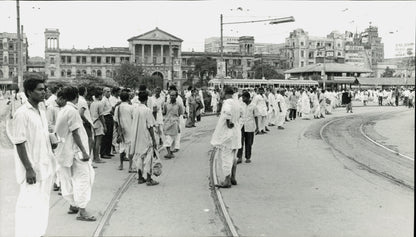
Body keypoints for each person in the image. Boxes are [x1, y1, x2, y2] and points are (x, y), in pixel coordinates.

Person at [11, 78, 56, 237]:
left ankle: (38, 233)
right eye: (40, 89)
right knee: (27, 206)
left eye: (44, 88)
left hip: (45, 167)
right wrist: (29, 169)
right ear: (29, 92)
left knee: (42, 204)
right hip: (32, 170)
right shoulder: (22, 114)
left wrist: (52, 142)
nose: (44, 91)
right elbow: (20, 143)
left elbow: (41, 138)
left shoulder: (41, 112)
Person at [55, 86, 96, 221]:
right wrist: (84, 151)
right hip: (75, 151)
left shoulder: (63, 110)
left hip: (65, 151)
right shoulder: (72, 111)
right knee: (84, 178)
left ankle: (74, 205)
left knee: (68, 179)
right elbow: (76, 133)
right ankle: (82, 210)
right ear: (77, 97)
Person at [211, 87, 241, 188]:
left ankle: (227, 180)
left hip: (228, 133)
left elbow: (227, 113)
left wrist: (228, 122)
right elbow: (241, 113)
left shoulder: (227, 102)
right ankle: (233, 177)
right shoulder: (237, 102)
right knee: (233, 156)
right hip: (236, 132)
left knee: (225, 156)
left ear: (225, 93)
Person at [130, 91, 159, 186]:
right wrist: (154, 139)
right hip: (146, 136)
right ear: (146, 99)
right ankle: (149, 179)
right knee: (148, 157)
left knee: (139, 156)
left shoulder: (135, 110)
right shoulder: (147, 111)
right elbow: (150, 126)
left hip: (137, 137)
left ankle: (140, 177)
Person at [114, 91, 134, 171]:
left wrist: (117, 130)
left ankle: (121, 165)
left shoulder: (117, 108)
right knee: (130, 148)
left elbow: (115, 119)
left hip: (121, 130)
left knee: (122, 147)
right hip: (130, 129)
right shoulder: (131, 107)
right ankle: (130, 167)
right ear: (128, 98)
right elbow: (134, 118)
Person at [237, 91, 258, 164]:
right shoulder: (241, 105)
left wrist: (257, 127)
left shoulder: (253, 106)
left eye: (244, 98)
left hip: (250, 126)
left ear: (248, 98)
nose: (242, 99)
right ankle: (239, 157)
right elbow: (238, 115)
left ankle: (248, 157)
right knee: (240, 142)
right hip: (242, 125)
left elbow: (256, 116)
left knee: (249, 142)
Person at [163, 90, 183, 159]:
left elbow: (180, 113)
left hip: (175, 123)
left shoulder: (179, 105)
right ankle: (169, 153)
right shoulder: (166, 104)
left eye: (173, 95)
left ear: (176, 96)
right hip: (167, 123)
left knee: (173, 138)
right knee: (168, 138)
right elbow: (164, 112)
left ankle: (170, 152)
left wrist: (177, 123)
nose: (172, 96)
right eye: (171, 95)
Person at [90, 90, 107, 164]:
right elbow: (101, 115)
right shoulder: (100, 104)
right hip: (98, 122)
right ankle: (97, 157)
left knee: (95, 141)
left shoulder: (92, 103)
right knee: (98, 141)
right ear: (100, 96)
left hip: (93, 122)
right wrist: (104, 125)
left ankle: (94, 157)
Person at [100, 87, 114, 158]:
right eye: (107, 92)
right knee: (105, 136)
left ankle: (108, 151)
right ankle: (103, 152)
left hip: (110, 116)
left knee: (109, 135)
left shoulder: (108, 100)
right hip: (106, 117)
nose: (109, 93)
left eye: (109, 92)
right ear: (104, 92)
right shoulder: (103, 101)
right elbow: (102, 112)